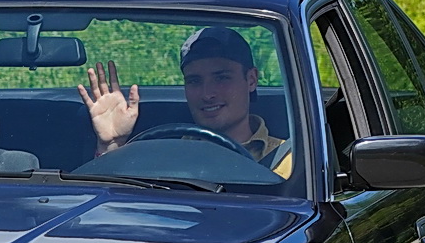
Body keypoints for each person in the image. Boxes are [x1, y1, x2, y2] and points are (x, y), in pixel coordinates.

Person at [77, 25, 291, 178]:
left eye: (222, 78)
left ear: (251, 80)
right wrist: (111, 145)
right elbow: (116, 205)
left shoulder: (289, 160)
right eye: (194, 81)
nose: (207, 93)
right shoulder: (162, 156)